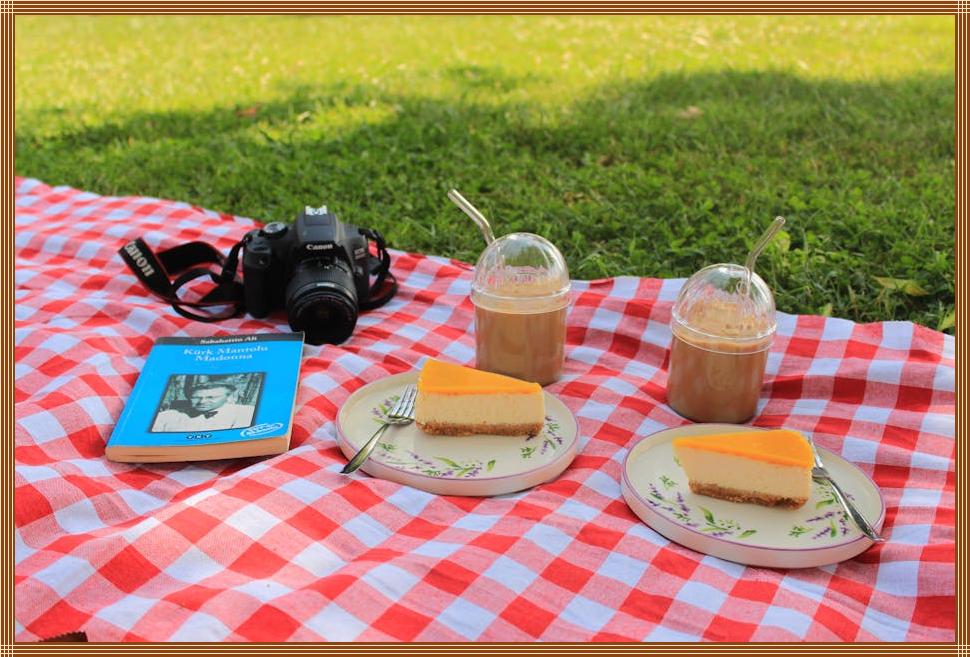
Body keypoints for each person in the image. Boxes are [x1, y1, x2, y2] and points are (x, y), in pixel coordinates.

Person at [152, 380, 255, 432]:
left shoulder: (247, 413)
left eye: (211, 397)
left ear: (228, 397)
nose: (202, 401)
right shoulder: (168, 416)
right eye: (196, 397)